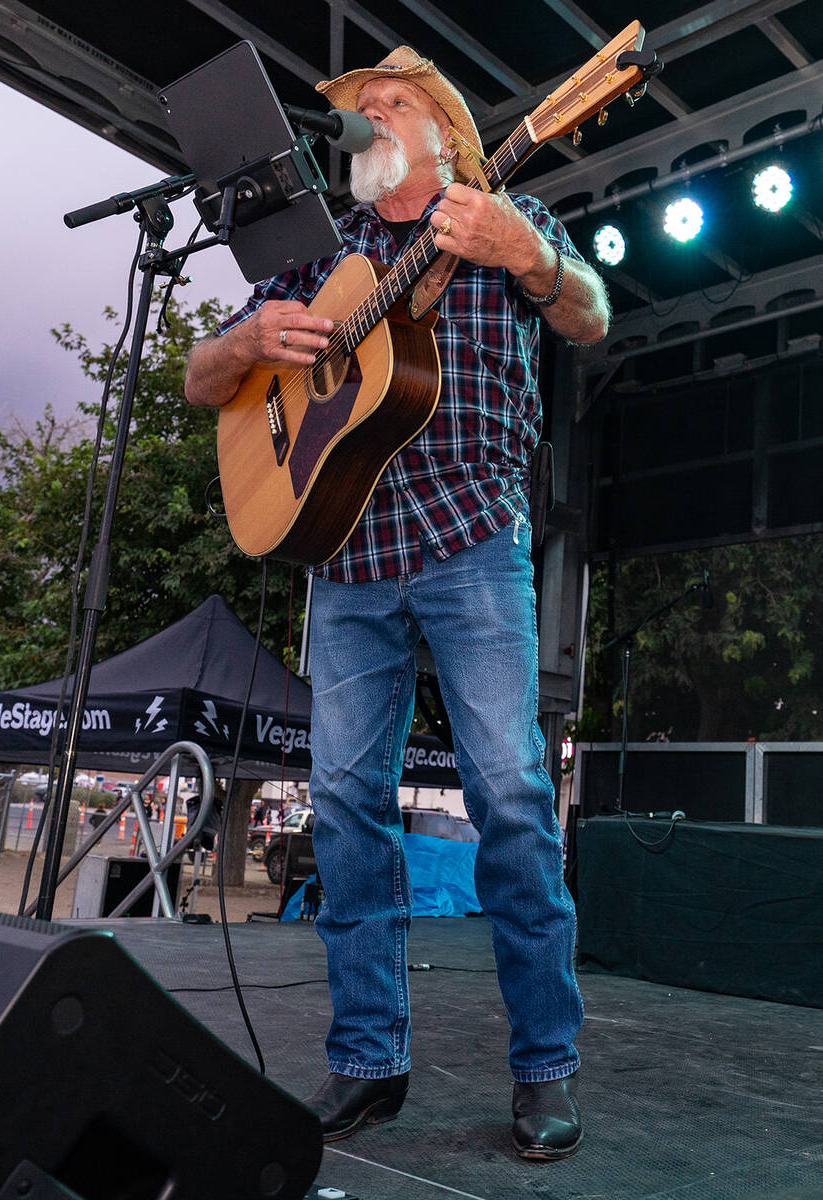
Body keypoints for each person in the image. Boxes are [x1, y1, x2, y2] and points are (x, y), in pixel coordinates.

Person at [184, 46, 610, 1162]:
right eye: (358, 111)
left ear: (445, 138)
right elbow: (203, 379)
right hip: (347, 558)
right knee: (342, 806)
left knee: (511, 796)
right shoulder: (322, 261)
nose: (364, 123)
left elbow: (594, 315)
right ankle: (368, 1061)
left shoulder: (496, 218)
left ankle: (544, 1069)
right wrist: (243, 345)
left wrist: (531, 256)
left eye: (387, 107)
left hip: (471, 545)